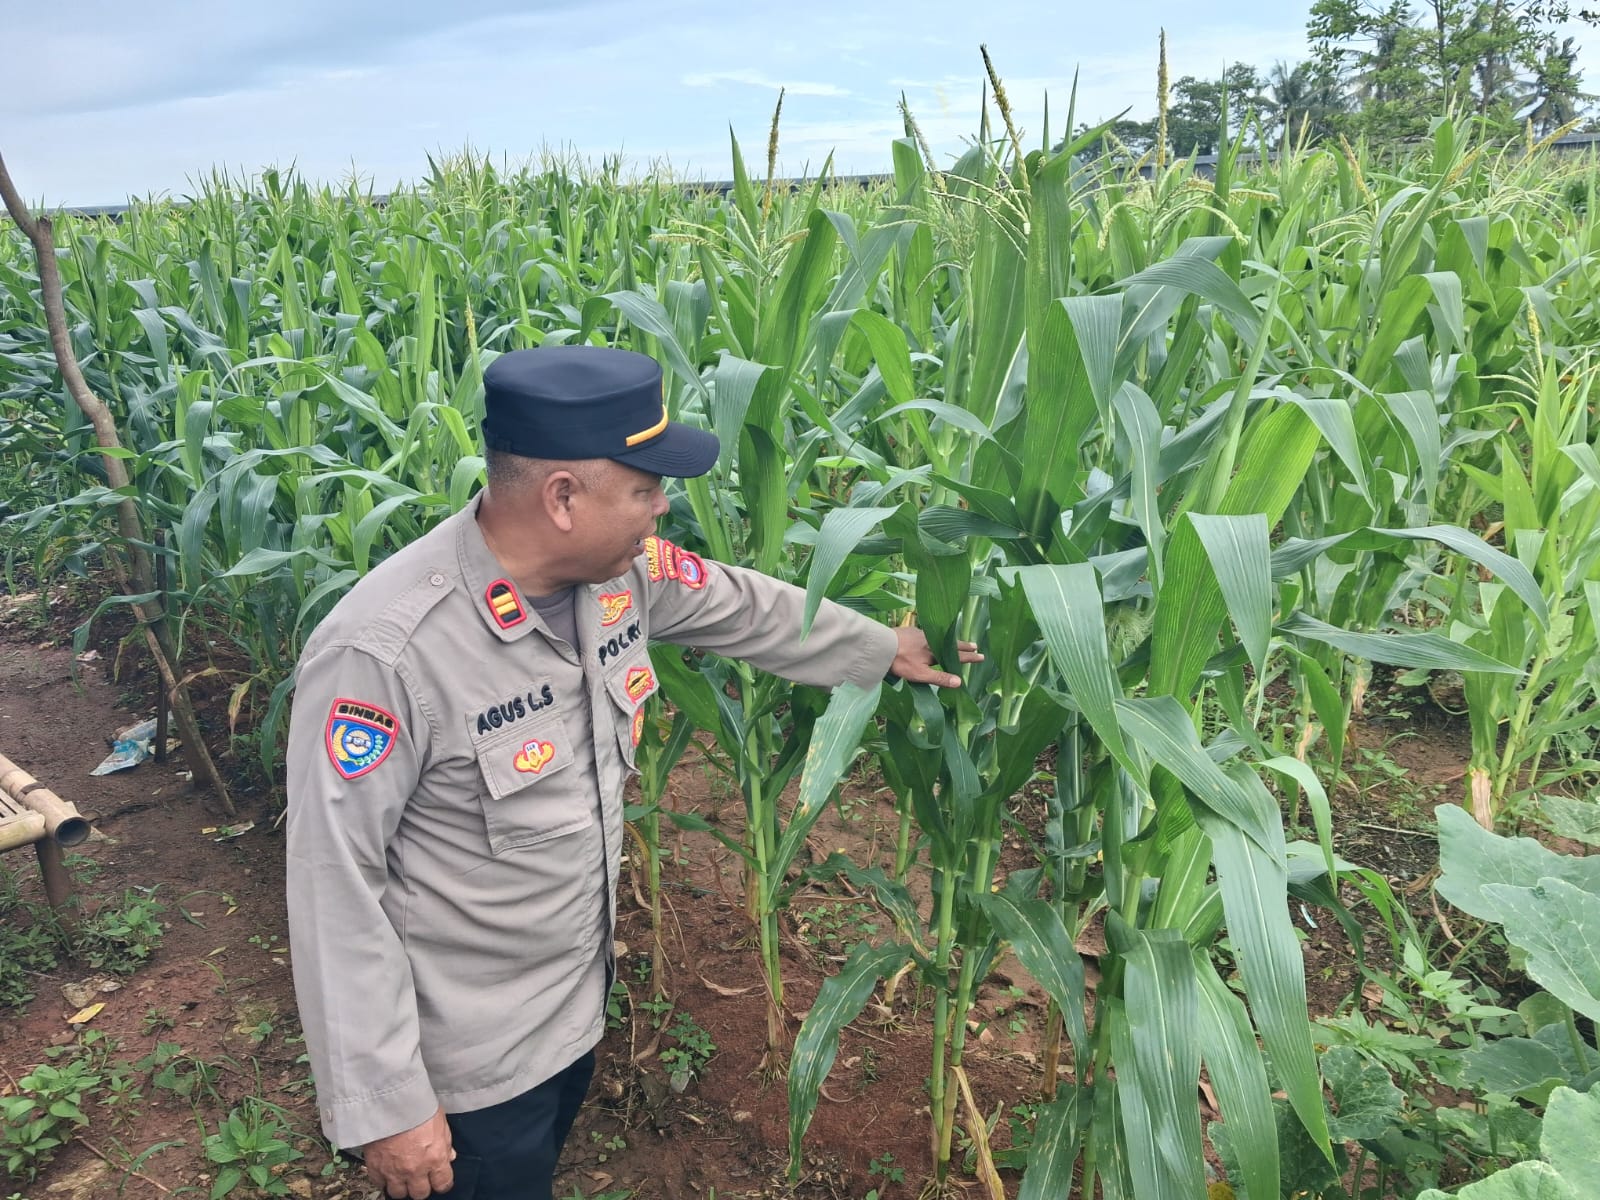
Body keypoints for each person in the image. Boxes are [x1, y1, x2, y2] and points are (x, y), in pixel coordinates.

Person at [284, 344, 979, 1200]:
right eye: (646, 488)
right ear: (564, 497)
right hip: (466, 1065)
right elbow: (334, 885)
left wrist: (883, 648)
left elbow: (736, 602)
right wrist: (387, 1105)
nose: (662, 509)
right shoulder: (387, 653)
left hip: (573, 1009)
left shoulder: (618, 577)